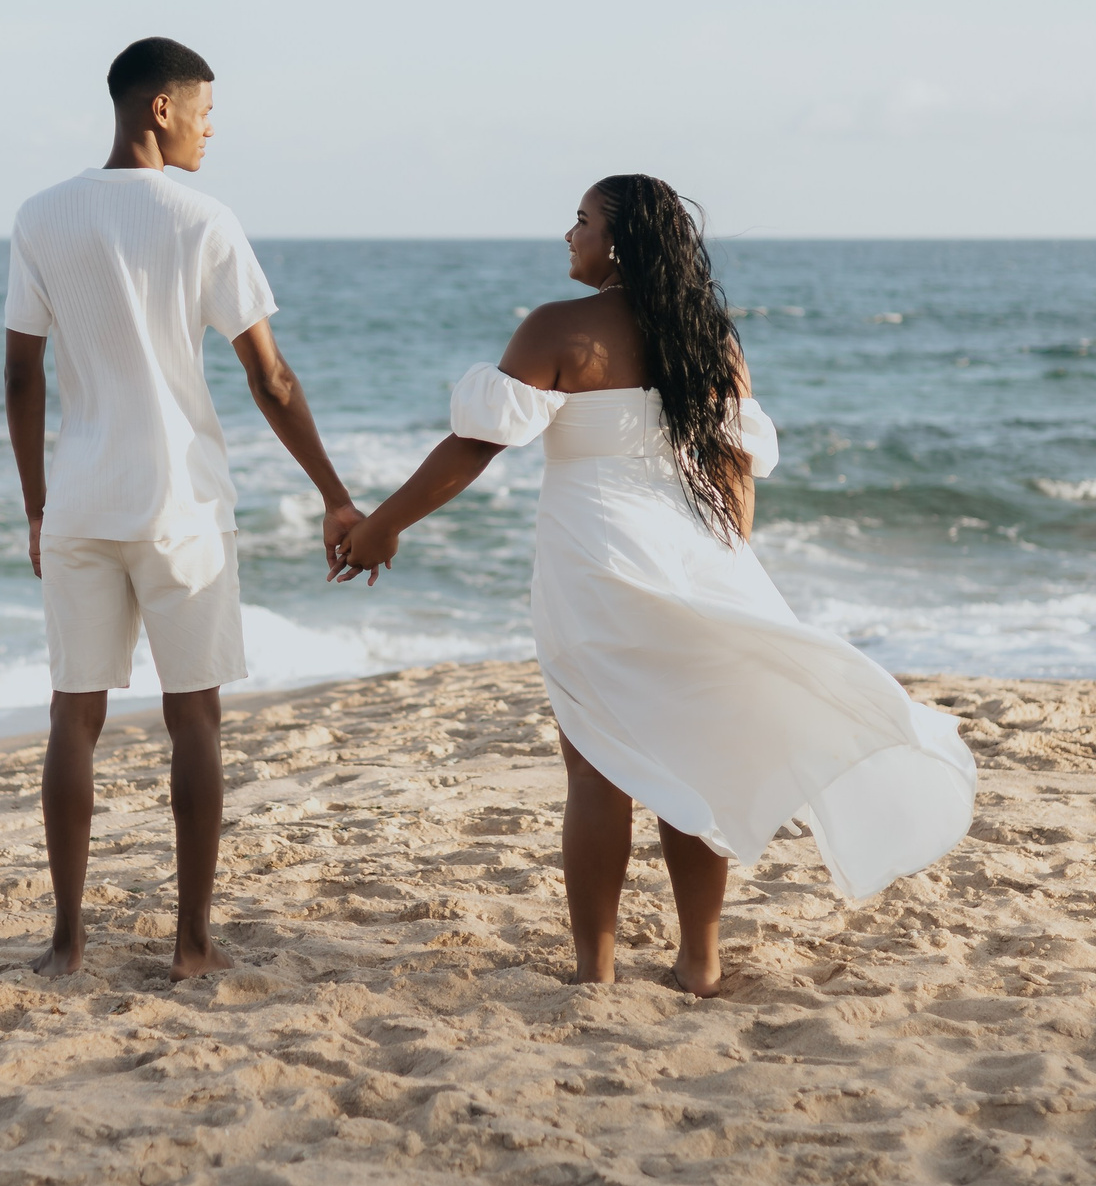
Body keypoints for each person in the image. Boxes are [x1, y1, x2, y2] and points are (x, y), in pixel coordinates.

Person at [334, 175, 975, 995]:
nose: (569, 233)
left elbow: (475, 446)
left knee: (594, 769)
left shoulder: (555, 327)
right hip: (694, 559)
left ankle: (595, 971)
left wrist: (383, 525)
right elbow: (734, 467)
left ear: (619, 241)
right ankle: (699, 962)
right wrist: (728, 568)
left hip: (594, 566)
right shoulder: (709, 337)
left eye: (582, 220)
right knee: (692, 757)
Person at [4, 36, 363, 979]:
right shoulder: (204, 220)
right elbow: (270, 377)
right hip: (183, 506)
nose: (211, 130)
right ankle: (192, 944)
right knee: (194, 717)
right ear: (160, 108)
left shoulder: (42, 215)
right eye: (204, 112)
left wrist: (37, 505)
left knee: (72, 717)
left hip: (81, 501)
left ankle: (67, 942)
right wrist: (334, 494)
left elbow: (21, 376)